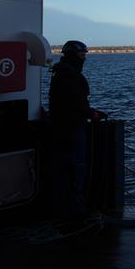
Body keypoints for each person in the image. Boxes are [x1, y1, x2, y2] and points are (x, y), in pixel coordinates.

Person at [48, 40, 103, 219]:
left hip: (58, 129)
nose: (84, 58)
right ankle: (76, 214)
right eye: (82, 55)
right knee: (76, 169)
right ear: (74, 55)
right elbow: (77, 104)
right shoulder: (72, 76)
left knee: (63, 171)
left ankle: (63, 211)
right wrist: (93, 114)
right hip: (71, 129)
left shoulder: (59, 74)